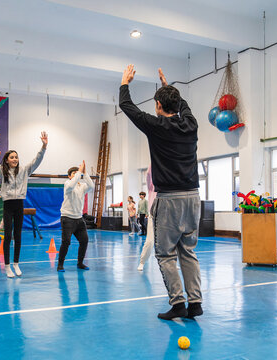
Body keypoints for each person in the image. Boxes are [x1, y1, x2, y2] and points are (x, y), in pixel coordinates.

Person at [119, 65, 203, 320]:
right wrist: (170, 89)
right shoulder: (191, 124)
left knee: (165, 253)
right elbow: (183, 106)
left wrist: (125, 83)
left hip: (169, 199)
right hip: (193, 197)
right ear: (177, 106)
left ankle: (178, 303)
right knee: (187, 250)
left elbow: (127, 106)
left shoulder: (156, 126)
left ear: (157, 105)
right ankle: (195, 303)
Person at [0, 130, 48, 278]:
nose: (15, 159)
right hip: (8, 205)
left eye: (16, 157)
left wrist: (44, 147)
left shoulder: (24, 171)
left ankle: (16, 264)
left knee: (18, 235)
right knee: (8, 236)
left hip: (19, 205)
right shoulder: (1, 171)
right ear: (6, 160)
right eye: (12, 157)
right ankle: (7, 266)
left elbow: (37, 160)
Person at [57, 161, 95, 272]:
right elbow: (72, 183)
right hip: (67, 218)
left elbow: (91, 186)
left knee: (84, 240)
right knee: (66, 242)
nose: (76, 174)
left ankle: (80, 263)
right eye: (73, 173)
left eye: (77, 173)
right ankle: (60, 264)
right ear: (69, 176)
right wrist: (79, 172)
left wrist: (85, 173)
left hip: (79, 219)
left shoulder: (82, 186)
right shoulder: (67, 184)